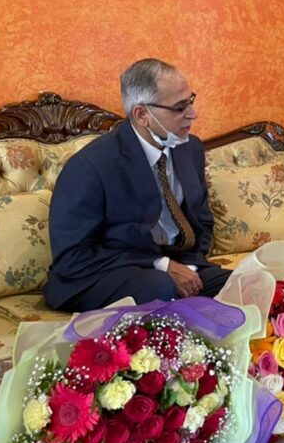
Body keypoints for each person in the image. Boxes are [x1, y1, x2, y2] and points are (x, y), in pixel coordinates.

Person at [44, 58, 231, 312]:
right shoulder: (90, 167)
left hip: (175, 264)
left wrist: (189, 267)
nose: (192, 114)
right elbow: (73, 256)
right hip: (99, 275)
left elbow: (201, 219)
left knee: (244, 286)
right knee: (159, 287)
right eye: (179, 108)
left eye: (190, 101)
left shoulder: (190, 148)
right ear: (142, 115)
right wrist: (162, 265)